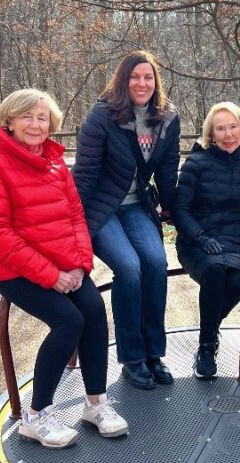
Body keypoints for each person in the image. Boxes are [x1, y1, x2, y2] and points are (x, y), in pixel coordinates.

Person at [0, 88, 128, 449]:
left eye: (42, 118)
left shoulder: (55, 162)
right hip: (12, 268)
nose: (35, 124)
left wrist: (80, 265)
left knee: (93, 311)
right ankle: (37, 415)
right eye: (27, 116)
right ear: (9, 121)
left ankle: (96, 404)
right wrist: (51, 276)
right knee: (69, 321)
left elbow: (75, 216)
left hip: (62, 263)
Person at [72, 51, 181, 391]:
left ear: (156, 82)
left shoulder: (166, 117)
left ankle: (154, 353)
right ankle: (132, 357)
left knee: (155, 261)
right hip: (102, 208)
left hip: (137, 205)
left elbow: (166, 170)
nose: (142, 83)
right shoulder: (102, 116)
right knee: (129, 267)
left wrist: (174, 208)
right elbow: (85, 174)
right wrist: (74, 223)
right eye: (135, 77)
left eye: (148, 77)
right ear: (123, 80)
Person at [173, 102, 240, 380]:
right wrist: (199, 236)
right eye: (220, 128)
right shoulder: (196, 163)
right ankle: (207, 346)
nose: (228, 134)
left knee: (238, 282)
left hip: (235, 240)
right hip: (196, 240)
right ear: (211, 132)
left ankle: (210, 325)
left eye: (233, 127)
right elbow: (179, 210)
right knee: (215, 270)